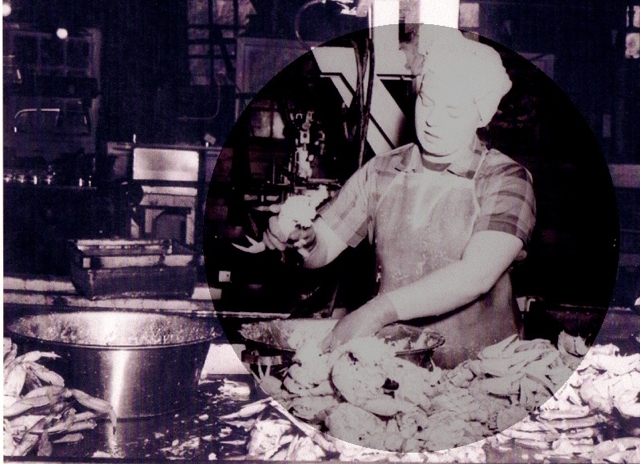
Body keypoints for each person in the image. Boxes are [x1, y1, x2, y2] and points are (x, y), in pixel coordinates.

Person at [263, 26, 536, 368]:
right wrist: (302, 239)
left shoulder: (506, 179)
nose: (433, 120)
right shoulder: (381, 171)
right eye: (427, 101)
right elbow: (324, 246)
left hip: (483, 371)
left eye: (453, 111)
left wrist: (378, 310)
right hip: (396, 366)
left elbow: (475, 275)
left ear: (481, 116)